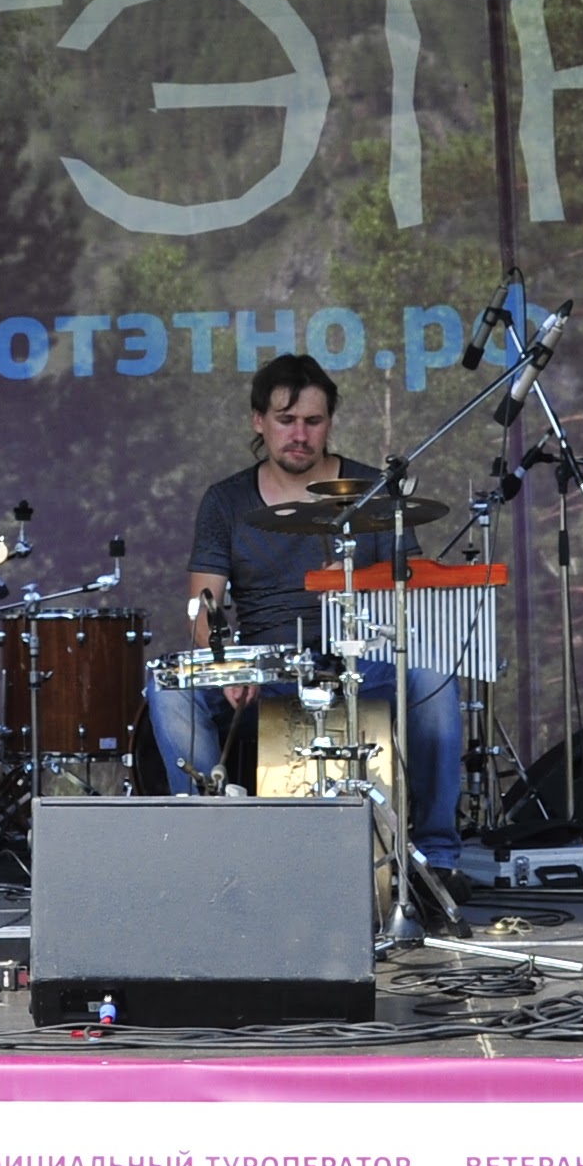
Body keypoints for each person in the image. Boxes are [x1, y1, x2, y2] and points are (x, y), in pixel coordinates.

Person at [154, 354, 463, 845]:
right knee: (169, 689)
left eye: (313, 421)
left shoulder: (373, 492)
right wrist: (229, 667)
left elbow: (411, 595)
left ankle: (436, 850)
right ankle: (207, 845)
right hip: (267, 672)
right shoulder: (226, 501)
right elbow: (202, 608)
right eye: (286, 420)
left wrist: (367, 594)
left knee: (434, 677)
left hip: (360, 665)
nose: (300, 434)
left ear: (329, 424)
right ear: (259, 421)